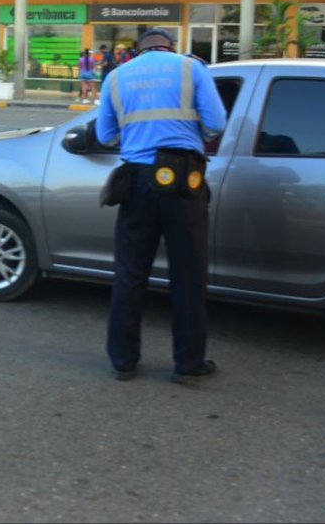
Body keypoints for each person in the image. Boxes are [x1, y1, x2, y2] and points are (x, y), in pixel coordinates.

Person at [95, 28, 227, 384]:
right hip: (184, 182)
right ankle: (188, 365)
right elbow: (216, 124)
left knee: (130, 274)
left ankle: (123, 362)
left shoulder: (117, 76)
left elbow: (105, 135)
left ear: (139, 50)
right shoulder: (191, 68)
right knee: (188, 276)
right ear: (171, 46)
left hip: (136, 183)